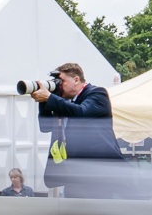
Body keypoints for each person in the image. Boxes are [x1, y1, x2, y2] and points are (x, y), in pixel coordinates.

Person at [30, 62, 128, 198]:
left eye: (62, 81)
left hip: (100, 174)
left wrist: (50, 97)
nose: (59, 86)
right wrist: (43, 101)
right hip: (75, 174)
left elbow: (81, 113)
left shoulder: (97, 93)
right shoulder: (67, 103)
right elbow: (46, 126)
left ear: (76, 79)